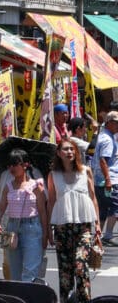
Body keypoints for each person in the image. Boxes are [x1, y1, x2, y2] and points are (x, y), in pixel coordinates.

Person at [47, 136, 100, 303]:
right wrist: (49, 228)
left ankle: (85, 300)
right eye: (65, 149)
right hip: (62, 226)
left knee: (79, 264)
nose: (69, 152)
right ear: (58, 153)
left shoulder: (85, 171)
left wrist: (97, 224)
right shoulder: (53, 175)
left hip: (84, 226)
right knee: (65, 271)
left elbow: (93, 198)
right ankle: (66, 300)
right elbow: (52, 202)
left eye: (72, 149)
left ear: (76, 152)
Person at [0, 149, 48, 282]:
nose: (12, 168)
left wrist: (46, 234)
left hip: (32, 227)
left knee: (29, 271)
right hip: (11, 227)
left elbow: (42, 211)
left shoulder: (36, 186)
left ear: (25, 165)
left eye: (15, 164)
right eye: (9, 165)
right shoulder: (8, 186)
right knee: (14, 271)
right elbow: (1, 207)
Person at [91, 110, 118, 242]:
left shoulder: (104, 136)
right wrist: (108, 180)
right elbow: (103, 160)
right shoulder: (107, 139)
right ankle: (107, 235)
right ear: (109, 123)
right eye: (116, 123)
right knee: (115, 206)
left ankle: (98, 234)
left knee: (103, 208)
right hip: (109, 179)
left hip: (99, 179)